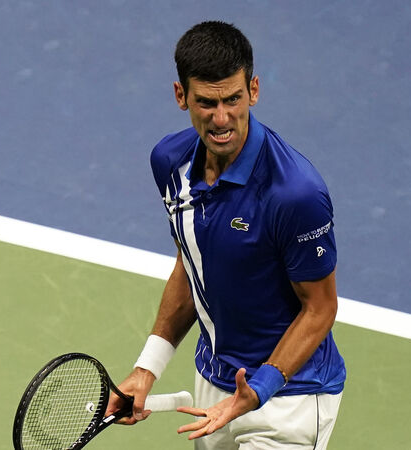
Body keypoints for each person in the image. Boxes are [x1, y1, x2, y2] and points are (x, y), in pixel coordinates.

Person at [107, 21, 346, 449]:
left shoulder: (295, 193)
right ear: (181, 96)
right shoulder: (170, 162)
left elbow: (320, 308)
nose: (222, 119)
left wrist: (256, 390)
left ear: (253, 90)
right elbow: (193, 264)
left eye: (233, 99)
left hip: (287, 397)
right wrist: (147, 369)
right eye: (206, 103)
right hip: (213, 385)